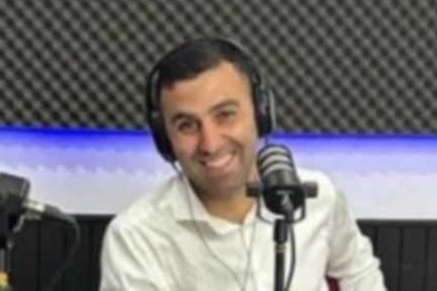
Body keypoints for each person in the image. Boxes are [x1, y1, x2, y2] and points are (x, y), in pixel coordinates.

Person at [100, 37, 385, 291]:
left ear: (261, 115)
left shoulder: (317, 196)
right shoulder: (136, 238)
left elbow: (358, 272)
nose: (210, 144)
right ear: (165, 140)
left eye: (225, 115)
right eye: (187, 125)